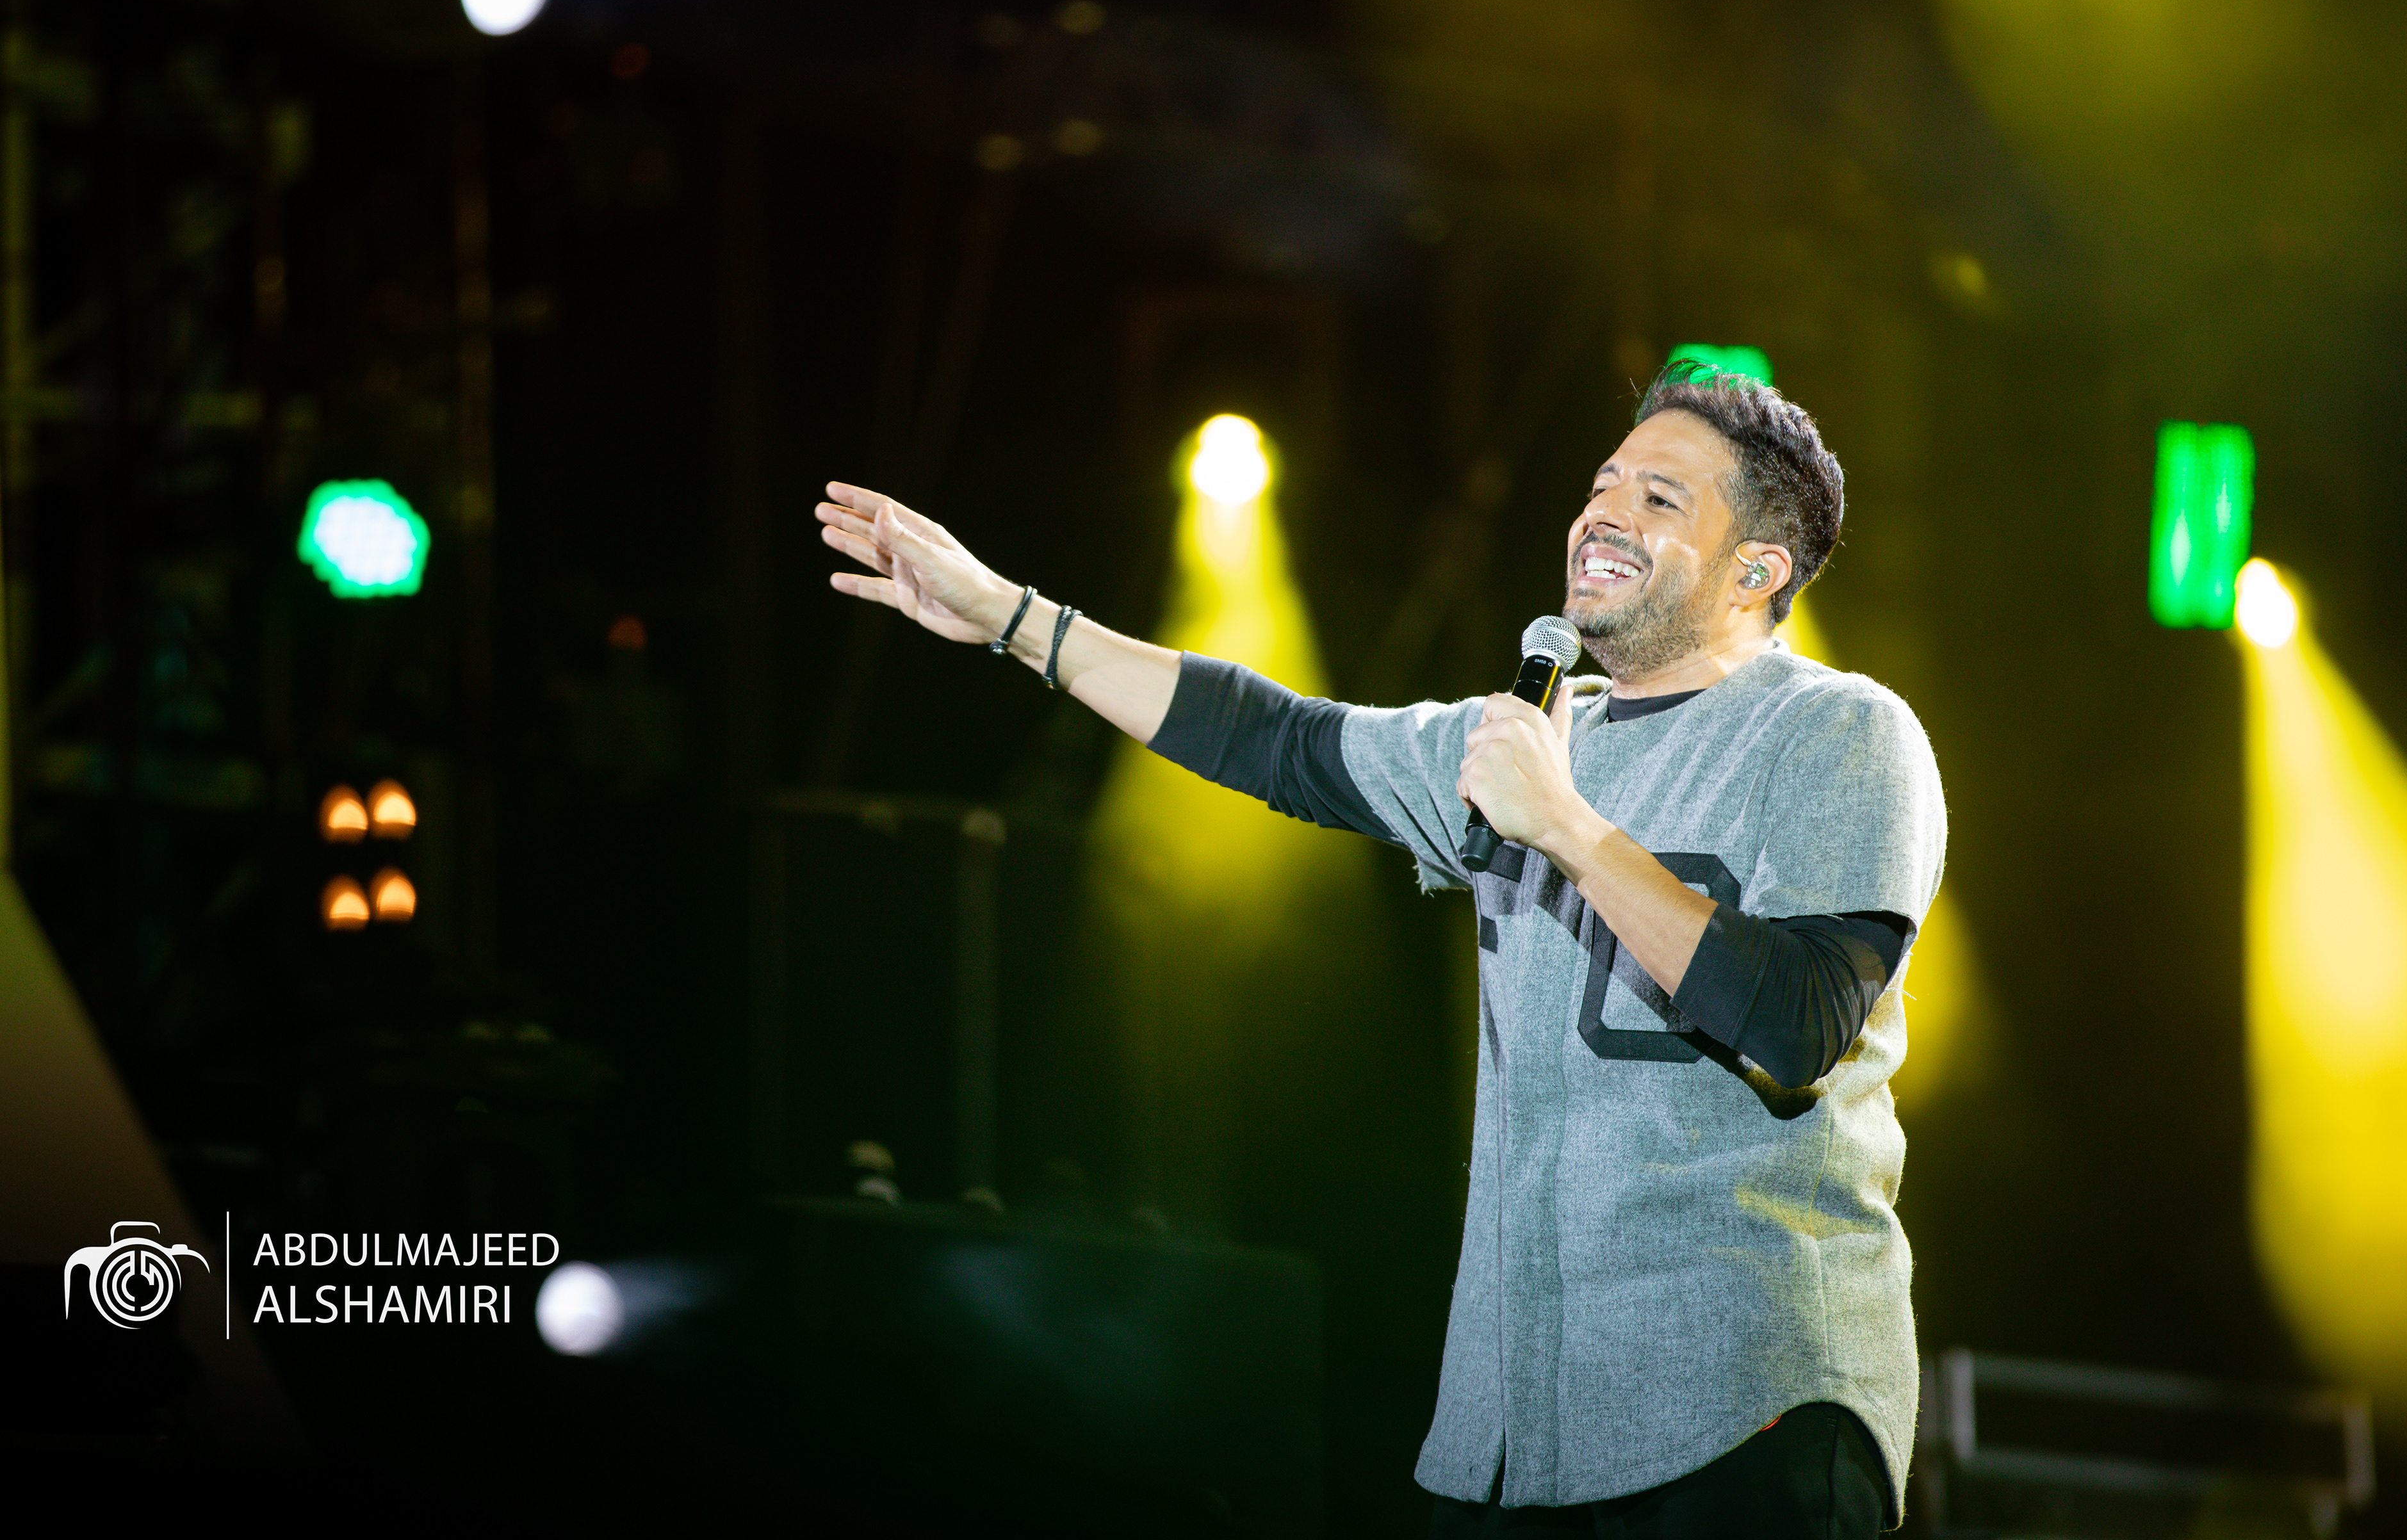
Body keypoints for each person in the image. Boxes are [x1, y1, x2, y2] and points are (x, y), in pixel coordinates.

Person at [815, 359, 1947, 1537]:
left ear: (1757, 571)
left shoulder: (1837, 731)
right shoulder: (1525, 741)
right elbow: (1277, 737)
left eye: (1659, 498)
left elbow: (1798, 1023)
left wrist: (1564, 824)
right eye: (1603, 485)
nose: (1604, 514)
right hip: (1520, 1445)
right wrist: (1012, 620)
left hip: (1748, 1412)